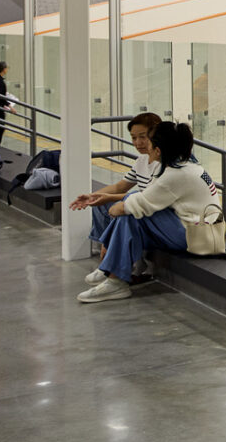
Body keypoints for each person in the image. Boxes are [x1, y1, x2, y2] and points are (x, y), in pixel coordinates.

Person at [79, 122, 216, 304]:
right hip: (198, 231)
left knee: (130, 211)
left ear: (158, 150)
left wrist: (114, 210)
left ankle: (113, 277)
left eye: (148, 141)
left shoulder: (176, 175)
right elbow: (143, 196)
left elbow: (132, 205)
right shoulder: (182, 166)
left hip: (200, 237)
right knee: (132, 209)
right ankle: (113, 276)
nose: (143, 145)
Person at [73, 112, 161, 259]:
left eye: (142, 137)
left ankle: (113, 254)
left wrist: (106, 197)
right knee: (99, 203)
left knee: (118, 207)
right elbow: (119, 187)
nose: (138, 143)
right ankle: (106, 248)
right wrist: (92, 196)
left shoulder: (165, 163)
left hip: (154, 209)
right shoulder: (142, 160)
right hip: (142, 203)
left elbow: (149, 198)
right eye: (133, 138)